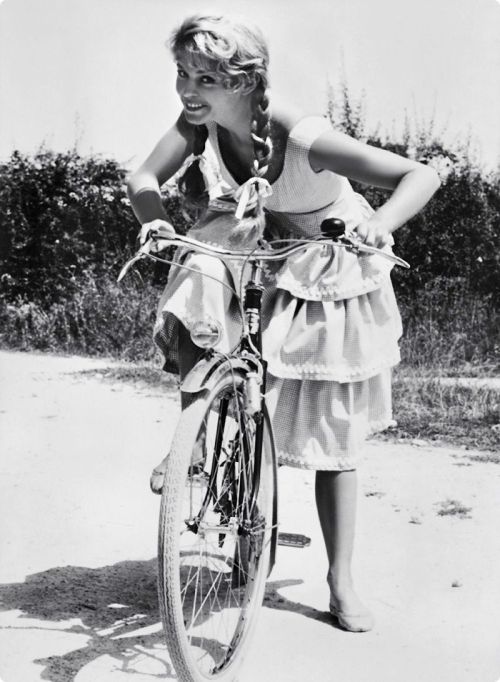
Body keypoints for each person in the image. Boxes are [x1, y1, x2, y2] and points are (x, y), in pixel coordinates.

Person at [127, 13, 440, 633]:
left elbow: (419, 174)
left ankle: (340, 577)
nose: (190, 90)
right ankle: (193, 432)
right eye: (184, 74)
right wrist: (154, 215)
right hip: (252, 238)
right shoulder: (200, 126)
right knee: (199, 271)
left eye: (209, 78)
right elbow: (142, 177)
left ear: (245, 82)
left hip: (326, 259)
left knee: (331, 428)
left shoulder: (305, 135)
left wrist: (383, 224)